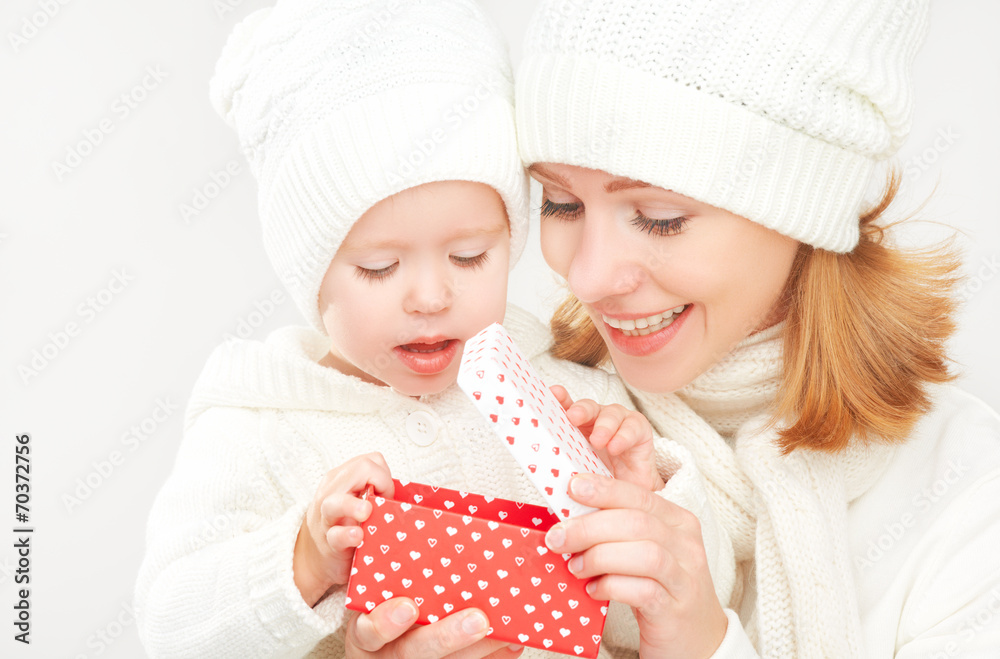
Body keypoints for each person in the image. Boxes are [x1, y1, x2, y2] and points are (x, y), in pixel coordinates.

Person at [133, 2, 710, 658]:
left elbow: (654, 628)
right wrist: (304, 557)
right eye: (379, 268)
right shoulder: (260, 425)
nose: (433, 296)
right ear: (311, 275)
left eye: (470, 257)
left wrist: (638, 509)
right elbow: (168, 627)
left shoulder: (558, 399)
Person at [510, 0, 1000, 657]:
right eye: (561, 203)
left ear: (805, 216)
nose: (589, 277)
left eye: (659, 217)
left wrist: (702, 644)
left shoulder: (965, 493)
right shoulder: (524, 421)